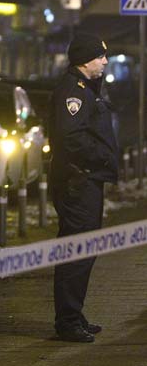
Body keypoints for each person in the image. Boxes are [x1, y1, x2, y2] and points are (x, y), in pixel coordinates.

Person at [49, 32, 119, 342]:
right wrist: (103, 156)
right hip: (78, 182)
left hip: (87, 180)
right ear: (84, 60)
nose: (105, 61)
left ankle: (73, 314)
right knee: (76, 252)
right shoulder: (72, 92)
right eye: (100, 56)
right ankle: (67, 322)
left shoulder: (86, 88)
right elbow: (71, 138)